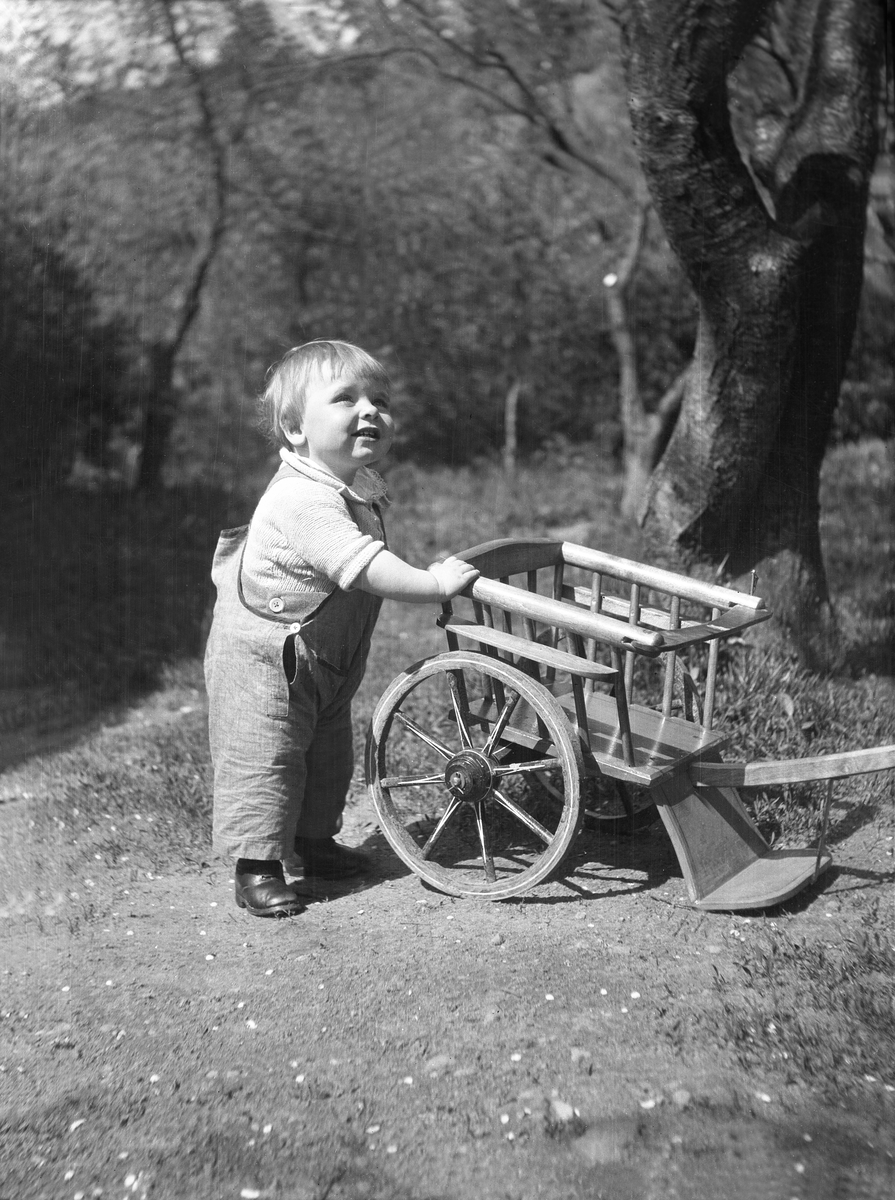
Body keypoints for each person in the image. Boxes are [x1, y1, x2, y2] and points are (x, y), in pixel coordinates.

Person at [204, 340, 478, 917]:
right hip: (263, 657)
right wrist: (432, 584)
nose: (370, 411)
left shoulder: (358, 483)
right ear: (295, 428)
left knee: (328, 753)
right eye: (346, 399)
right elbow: (366, 565)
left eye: (379, 400)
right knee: (265, 755)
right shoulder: (301, 498)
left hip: (320, 655)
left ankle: (313, 843)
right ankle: (256, 864)